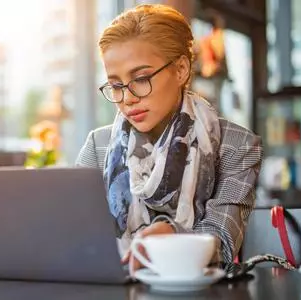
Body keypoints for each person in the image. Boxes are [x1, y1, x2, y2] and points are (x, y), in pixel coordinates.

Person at [75, 4, 262, 275]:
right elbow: (75, 233)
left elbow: (222, 242)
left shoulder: (236, 145)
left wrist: (173, 234)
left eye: (140, 78)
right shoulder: (98, 145)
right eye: (116, 85)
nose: (127, 98)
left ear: (181, 69)